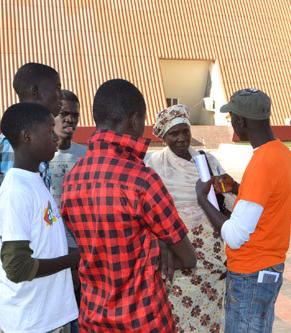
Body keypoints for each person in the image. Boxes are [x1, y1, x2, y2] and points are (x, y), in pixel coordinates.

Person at [60, 79, 197, 332]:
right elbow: (188, 258)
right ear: (134, 120)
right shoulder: (142, 180)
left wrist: (152, 244)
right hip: (143, 319)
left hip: (92, 318)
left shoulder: (72, 179)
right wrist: (157, 246)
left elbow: (96, 242)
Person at [195, 89, 291, 333]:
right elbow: (269, 200)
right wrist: (237, 188)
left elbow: (235, 235)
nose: (233, 125)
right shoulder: (282, 153)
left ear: (241, 121)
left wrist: (204, 200)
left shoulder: (261, 163)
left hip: (251, 272)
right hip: (270, 266)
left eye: (231, 119)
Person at [145, 104, 235, 332]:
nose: (182, 138)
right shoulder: (153, 164)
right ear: (164, 135)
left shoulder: (207, 161)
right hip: (176, 252)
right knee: (177, 317)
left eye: (185, 131)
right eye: (174, 133)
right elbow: (149, 211)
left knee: (212, 316)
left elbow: (229, 200)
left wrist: (223, 187)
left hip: (211, 254)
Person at [0, 102, 79, 333]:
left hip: (53, 314)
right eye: (49, 130)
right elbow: (17, 267)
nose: (55, 137)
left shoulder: (36, 179)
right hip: (32, 322)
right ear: (27, 137)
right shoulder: (16, 190)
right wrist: (71, 260)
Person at [0, 62, 63, 250]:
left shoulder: (36, 142)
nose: (60, 96)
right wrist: (26, 270)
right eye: (56, 89)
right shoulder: (14, 146)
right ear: (35, 92)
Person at [49, 89, 87, 333]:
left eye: (74, 115)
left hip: (82, 252)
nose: (69, 120)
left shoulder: (86, 155)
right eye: (63, 113)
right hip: (52, 254)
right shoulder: (41, 155)